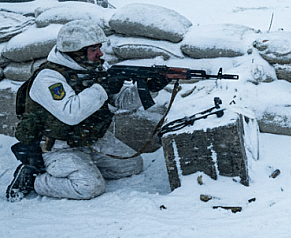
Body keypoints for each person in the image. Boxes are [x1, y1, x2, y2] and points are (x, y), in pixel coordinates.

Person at [6, 20, 169, 201]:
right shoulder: (49, 78)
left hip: (91, 138)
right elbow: (71, 113)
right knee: (89, 187)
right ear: (76, 52)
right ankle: (35, 178)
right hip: (58, 146)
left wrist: (151, 88)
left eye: (99, 47)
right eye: (93, 49)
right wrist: (103, 88)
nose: (100, 53)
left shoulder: (96, 67)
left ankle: (81, 167)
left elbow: (120, 101)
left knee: (132, 166)